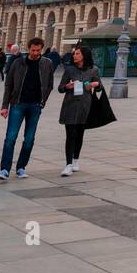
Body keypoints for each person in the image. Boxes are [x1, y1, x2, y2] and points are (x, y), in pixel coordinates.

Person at [0, 38, 55, 181]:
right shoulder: (18, 63)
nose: (35, 53)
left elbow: (49, 85)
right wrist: (5, 106)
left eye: (38, 50)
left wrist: (43, 102)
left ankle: (21, 167)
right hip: (18, 103)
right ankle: (4, 169)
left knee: (29, 139)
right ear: (28, 49)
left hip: (35, 105)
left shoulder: (47, 64)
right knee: (10, 138)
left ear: (41, 49)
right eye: (33, 50)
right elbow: (8, 85)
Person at [58, 46, 102, 176]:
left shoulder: (93, 70)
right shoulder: (69, 70)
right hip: (70, 106)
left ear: (84, 56)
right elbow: (60, 88)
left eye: (77, 54)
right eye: (74, 54)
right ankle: (68, 164)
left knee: (79, 135)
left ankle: (75, 159)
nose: (74, 56)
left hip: (85, 106)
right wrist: (67, 86)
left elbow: (99, 87)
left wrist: (95, 85)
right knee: (70, 135)